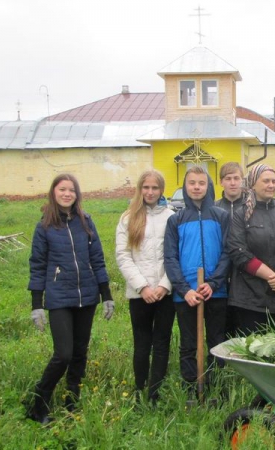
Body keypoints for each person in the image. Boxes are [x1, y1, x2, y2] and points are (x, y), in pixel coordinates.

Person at [27, 174, 114, 424]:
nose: (67, 194)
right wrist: (37, 305)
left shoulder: (86, 222)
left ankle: (71, 403)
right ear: (53, 192)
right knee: (63, 354)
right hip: (59, 298)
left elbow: (97, 259)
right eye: (62, 189)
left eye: (71, 190)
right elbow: (38, 265)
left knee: (79, 353)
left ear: (77, 194)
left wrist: (106, 295)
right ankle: (39, 404)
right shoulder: (44, 226)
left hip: (86, 297)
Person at [164, 166, 230, 390]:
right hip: (187, 295)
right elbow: (170, 257)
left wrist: (213, 283)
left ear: (209, 186)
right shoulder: (176, 220)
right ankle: (191, 386)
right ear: (185, 186)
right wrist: (184, 289)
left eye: (201, 183)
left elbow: (227, 252)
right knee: (188, 344)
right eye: (192, 183)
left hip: (216, 291)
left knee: (216, 341)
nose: (196, 187)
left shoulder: (221, 216)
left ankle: (215, 386)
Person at [115, 170, 175, 404]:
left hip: (164, 293)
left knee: (162, 342)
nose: (150, 192)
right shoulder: (128, 218)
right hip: (140, 295)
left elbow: (174, 256)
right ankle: (140, 389)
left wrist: (164, 286)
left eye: (155, 188)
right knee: (142, 344)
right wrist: (142, 287)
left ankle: (155, 392)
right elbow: (123, 256)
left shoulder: (171, 217)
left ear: (161, 190)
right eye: (146, 187)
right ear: (139, 189)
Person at [226, 164, 275, 334]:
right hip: (251, 298)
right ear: (253, 183)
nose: (271, 185)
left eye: (274, 181)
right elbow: (238, 251)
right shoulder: (241, 214)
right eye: (266, 181)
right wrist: (274, 278)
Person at [215, 162, 248, 337]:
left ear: (242, 181)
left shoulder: (250, 207)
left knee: (243, 316)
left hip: (245, 269)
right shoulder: (215, 208)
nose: (233, 183)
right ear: (221, 182)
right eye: (228, 179)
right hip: (221, 269)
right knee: (221, 317)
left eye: (236, 178)